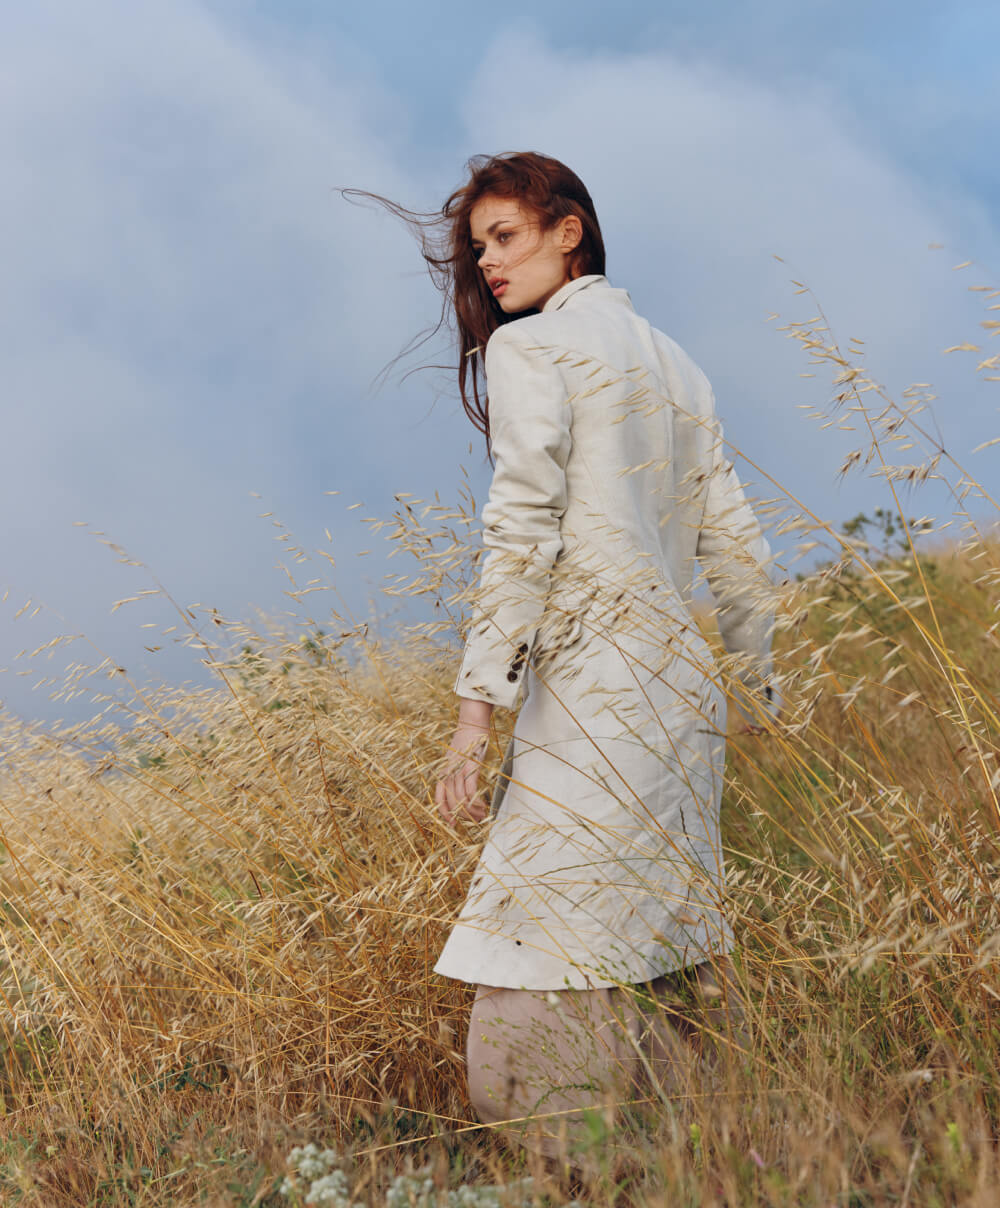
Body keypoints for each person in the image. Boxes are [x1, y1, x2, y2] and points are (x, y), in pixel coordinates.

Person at [364, 152, 779, 1167]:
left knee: (543, 948)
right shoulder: (676, 362)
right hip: (680, 692)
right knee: (661, 947)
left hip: (594, 686)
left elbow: (521, 530)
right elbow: (736, 547)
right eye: (478, 248)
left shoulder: (531, 347)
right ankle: (689, 1165)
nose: (488, 264)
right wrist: (756, 686)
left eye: (505, 236)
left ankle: (574, 1172)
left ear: (568, 231)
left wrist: (475, 714)